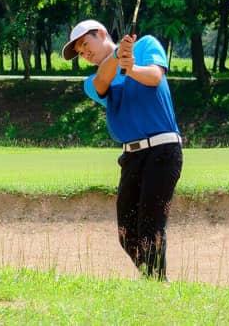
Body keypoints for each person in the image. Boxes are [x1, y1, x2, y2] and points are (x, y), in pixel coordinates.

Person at [62, 19, 183, 281]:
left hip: (163, 148)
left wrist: (132, 66)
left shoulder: (146, 45)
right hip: (132, 157)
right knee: (126, 231)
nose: (85, 53)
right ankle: (154, 280)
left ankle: (156, 284)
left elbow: (155, 77)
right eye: (81, 53)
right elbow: (102, 82)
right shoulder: (92, 80)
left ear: (102, 33)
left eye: (86, 44)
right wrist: (118, 58)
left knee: (150, 223)